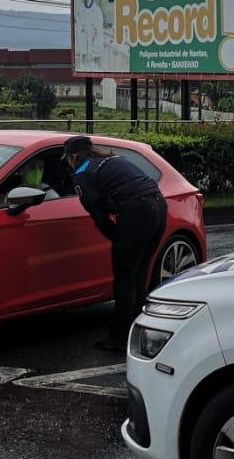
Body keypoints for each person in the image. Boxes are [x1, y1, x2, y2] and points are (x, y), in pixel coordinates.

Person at [62, 136, 166, 352]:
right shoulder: (113, 160)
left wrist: (116, 237)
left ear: (73, 157)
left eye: (67, 160)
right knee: (139, 274)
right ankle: (141, 329)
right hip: (159, 206)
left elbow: (97, 213)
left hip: (138, 211)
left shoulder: (82, 172)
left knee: (125, 277)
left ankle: (120, 337)